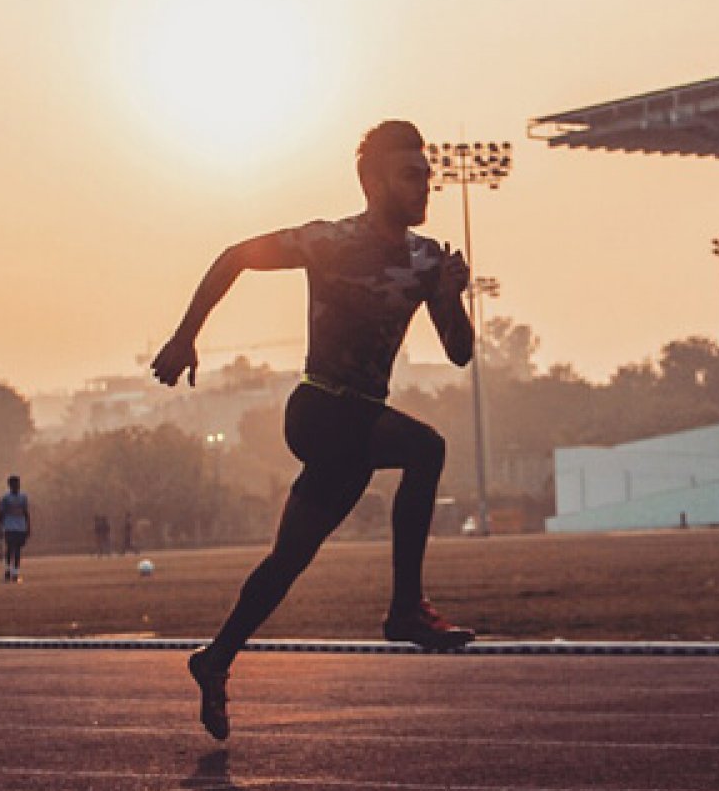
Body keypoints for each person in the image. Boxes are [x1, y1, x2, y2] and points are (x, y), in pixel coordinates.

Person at [151, 120, 476, 741]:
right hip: (320, 409)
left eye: (427, 175)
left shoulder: (427, 260)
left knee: (287, 562)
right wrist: (185, 335)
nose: (424, 186)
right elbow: (234, 256)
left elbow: (459, 354)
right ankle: (405, 609)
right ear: (372, 182)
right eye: (410, 176)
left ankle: (214, 659)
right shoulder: (330, 241)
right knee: (426, 448)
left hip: (358, 431)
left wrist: (450, 296)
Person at [0, 475, 31, 583]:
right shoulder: (6, 498)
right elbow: (1, 514)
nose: (16, 486)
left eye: (18, 484)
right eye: (14, 484)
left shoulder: (23, 497)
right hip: (9, 526)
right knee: (10, 548)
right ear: (10, 485)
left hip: (20, 527)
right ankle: (7, 570)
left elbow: (26, 512)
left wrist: (28, 526)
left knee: (18, 550)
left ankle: (15, 572)